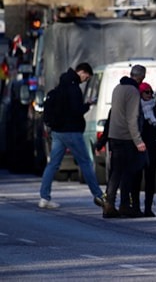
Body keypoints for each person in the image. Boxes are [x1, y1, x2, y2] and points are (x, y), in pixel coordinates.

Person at [39, 62, 106, 209]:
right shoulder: (74, 88)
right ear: (81, 72)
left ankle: (44, 197)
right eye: (86, 78)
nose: (85, 80)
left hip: (58, 132)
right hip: (72, 132)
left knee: (53, 165)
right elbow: (76, 111)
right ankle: (99, 195)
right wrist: (88, 105)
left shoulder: (61, 85)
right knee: (86, 163)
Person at [103, 64, 147, 218]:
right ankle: (124, 205)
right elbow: (132, 118)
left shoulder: (117, 88)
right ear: (142, 77)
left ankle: (109, 203)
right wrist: (138, 141)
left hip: (114, 136)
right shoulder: (133, 91)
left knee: (115, 172)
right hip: (127, 137)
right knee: (128, 173)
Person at [130, 82, 156, 217]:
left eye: (151, 92)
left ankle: (148, 208)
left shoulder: (155, 110)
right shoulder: (136, 109)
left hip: (152, 150)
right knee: (136, 179)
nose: (150, 95)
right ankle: (135, 207)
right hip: (139, 149)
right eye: (147, 92)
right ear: (140, 94)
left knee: (150, 180)